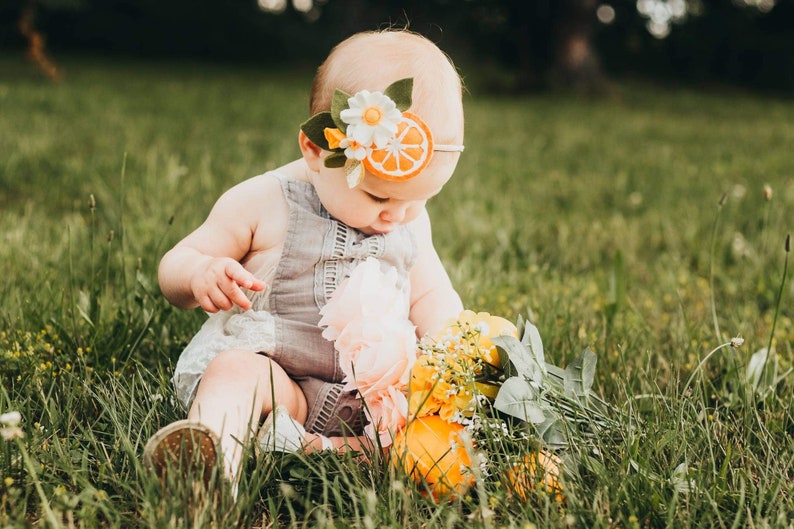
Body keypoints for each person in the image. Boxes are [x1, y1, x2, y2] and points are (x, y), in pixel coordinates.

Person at [143, 29, 465, 490]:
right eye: (378, 195)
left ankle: (328, 451)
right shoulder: (263, 201)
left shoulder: (408, 219)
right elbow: (177, 262)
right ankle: (210, 467)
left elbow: (431, 292)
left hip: (369, 399)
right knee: (235, 371)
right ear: (315, 151)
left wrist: (452, 350)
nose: (397, 215)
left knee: (428, 425)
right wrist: (200, 273)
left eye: (419, 200)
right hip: (280, 382)